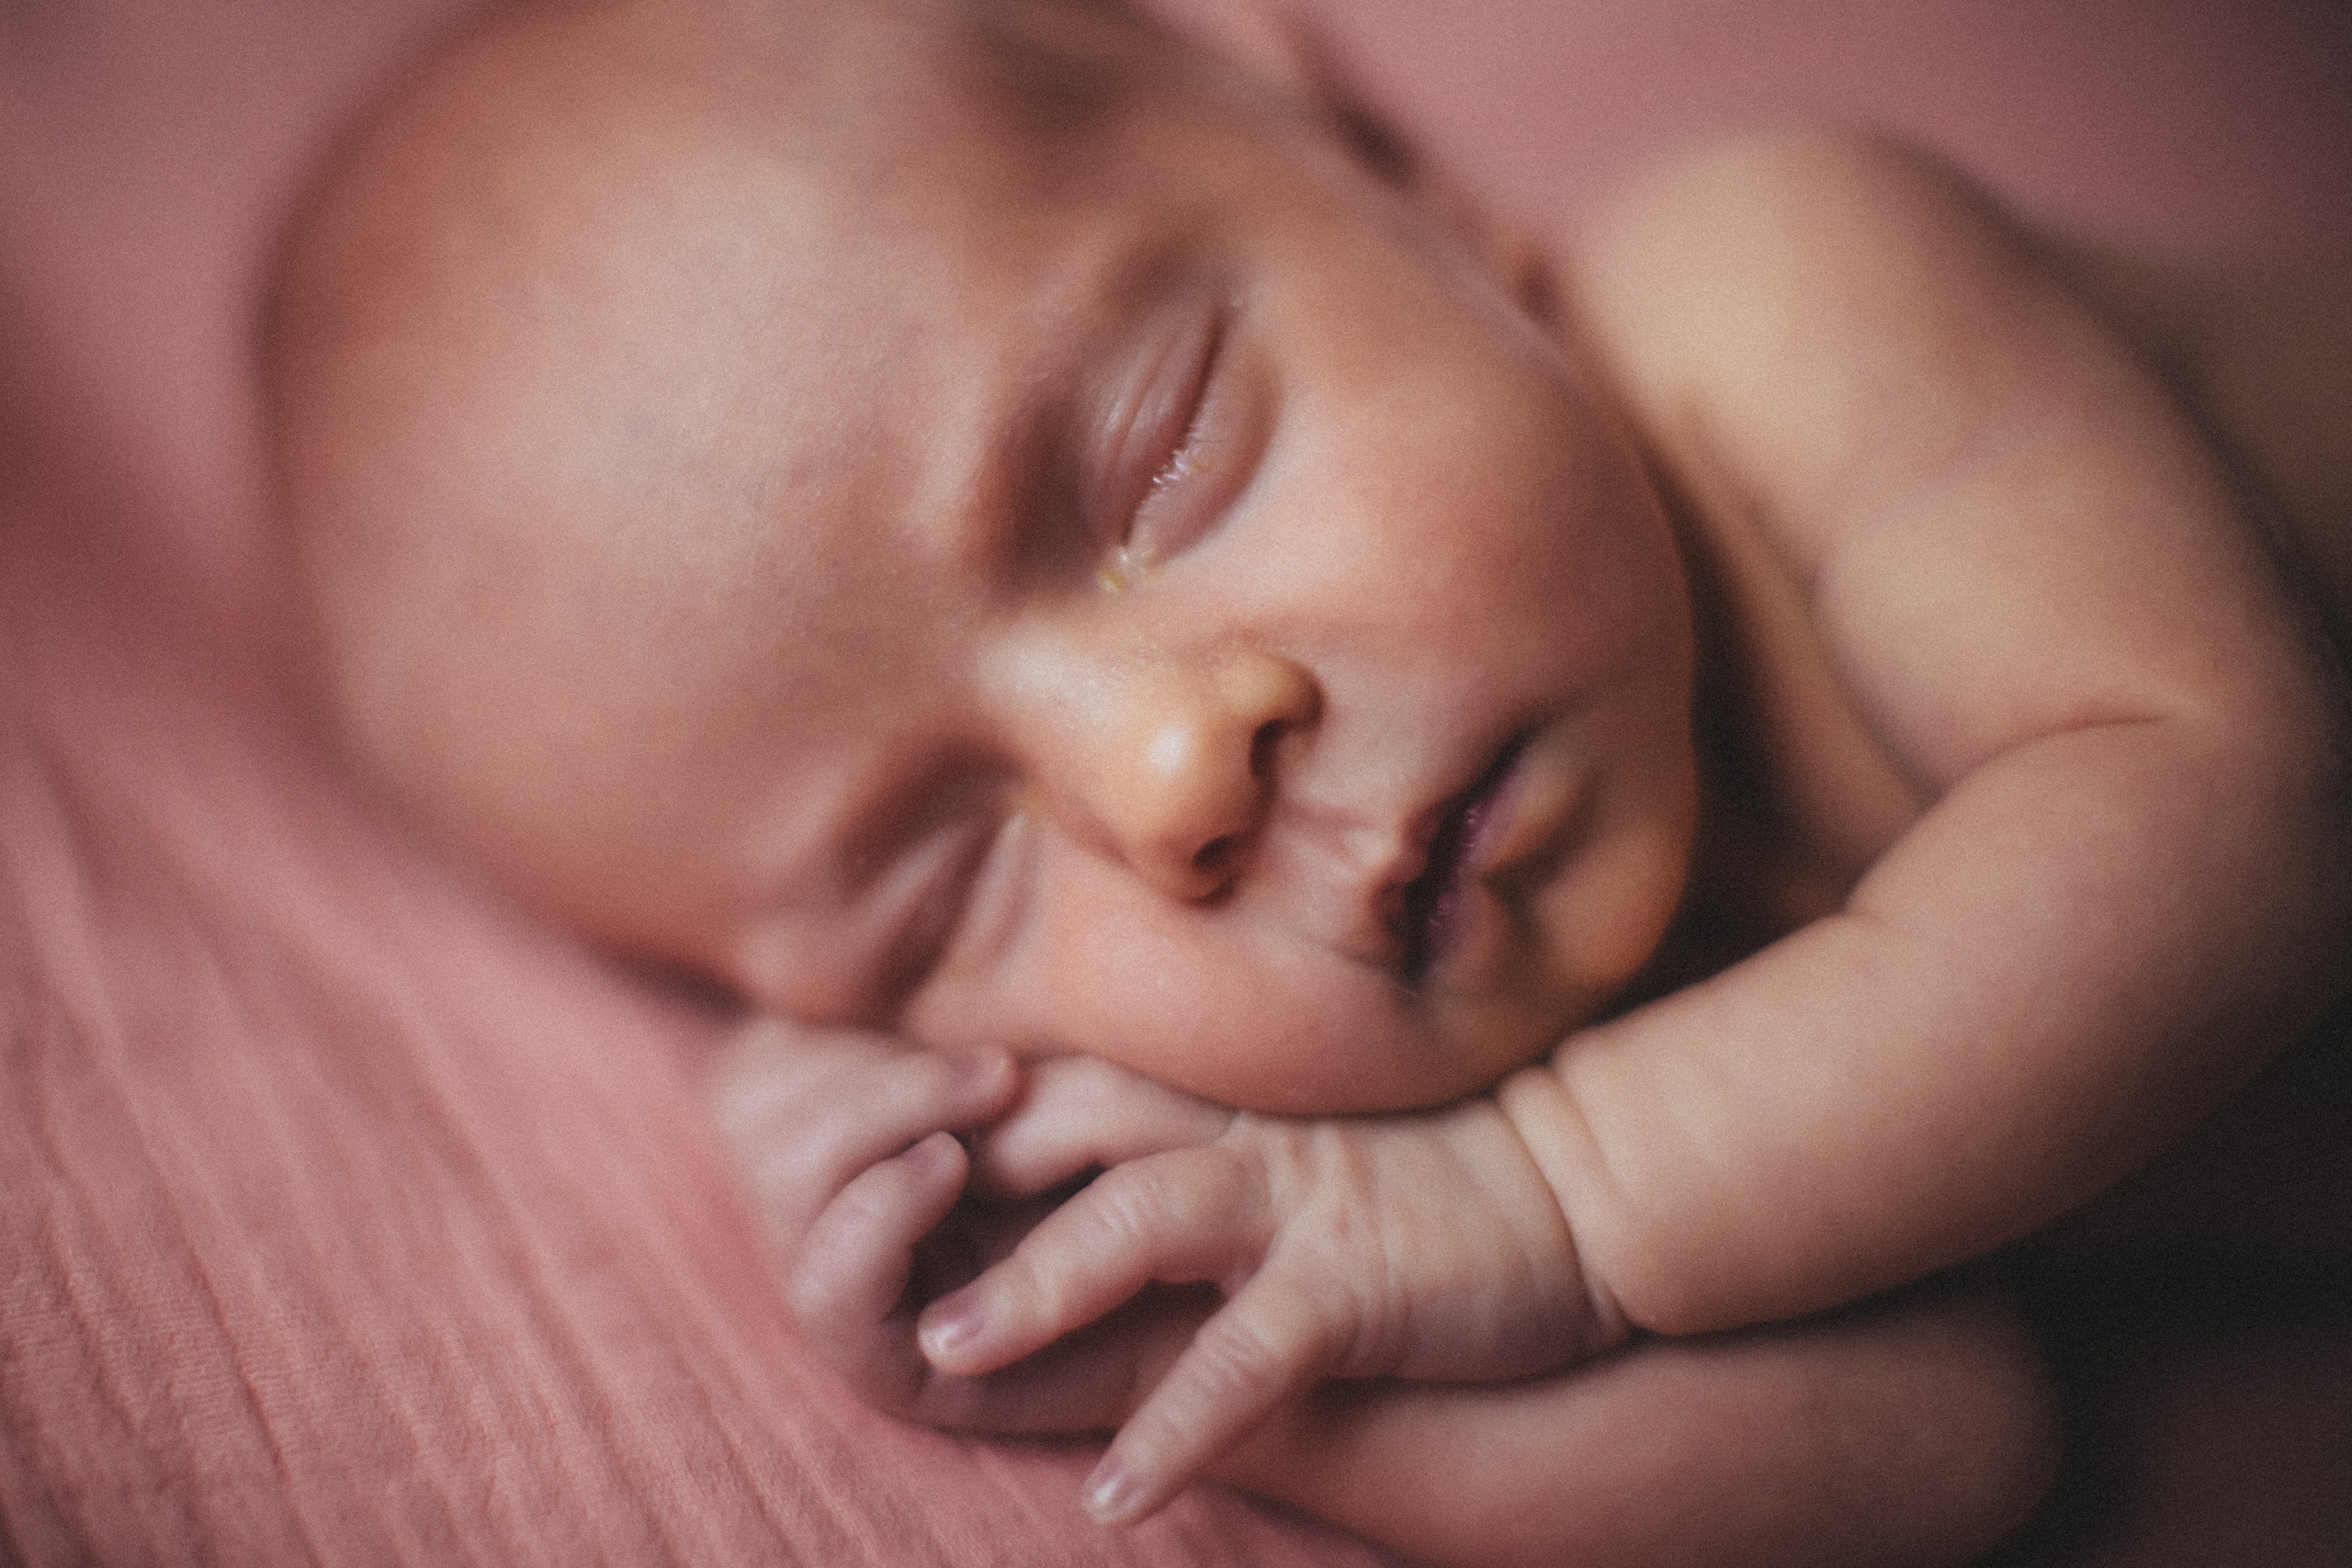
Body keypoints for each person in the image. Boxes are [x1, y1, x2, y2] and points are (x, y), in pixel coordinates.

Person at [265, 0, 2352, 1562]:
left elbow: (2231, 813)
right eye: (945, 891)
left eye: (1159, 462)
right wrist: (1212, 1356)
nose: (1170, 769)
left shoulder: (1773, 286)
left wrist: (1540, 1201)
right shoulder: (1408, 1089)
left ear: (1361, 155)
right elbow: (1931, 1447)